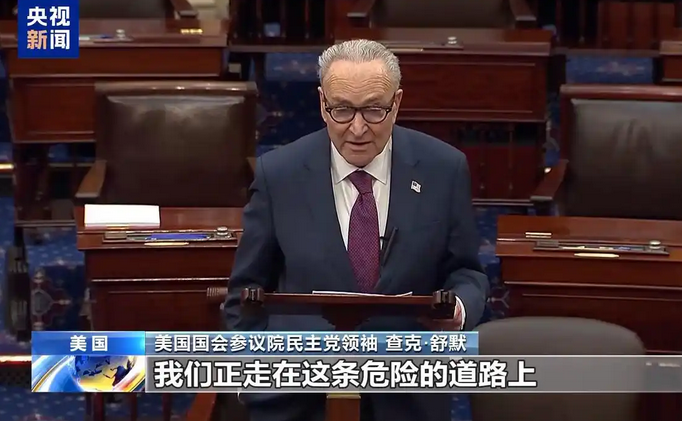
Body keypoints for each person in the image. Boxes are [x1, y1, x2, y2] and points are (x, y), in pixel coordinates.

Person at [224, 39, 490, 421]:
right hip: (299, 397)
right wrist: (251, 375)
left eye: (374, 110)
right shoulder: (279, 174)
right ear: (322, 104)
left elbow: (467, 271)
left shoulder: (443, 169)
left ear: (397, 103)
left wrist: (458, 309)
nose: (358, 128)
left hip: (406, 393)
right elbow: (245, 292)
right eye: (343, 110)